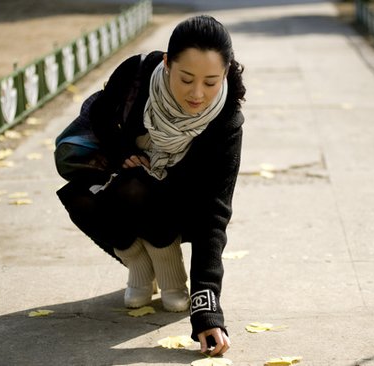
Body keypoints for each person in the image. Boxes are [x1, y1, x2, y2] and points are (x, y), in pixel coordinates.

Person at [55, 15, 245, 356]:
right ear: (167, 63)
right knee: (80, 198)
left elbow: (214, 215)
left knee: (137, 186)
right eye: (186, 78)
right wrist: (123, 151)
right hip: (126, 189)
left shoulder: (225, 122)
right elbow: (99, 113)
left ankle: (170, 269)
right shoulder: (138, 74)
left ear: (227, 73)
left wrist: (206, 310)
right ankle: (138, 264)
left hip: (179, 210)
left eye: (211, 82)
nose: (197, 93)